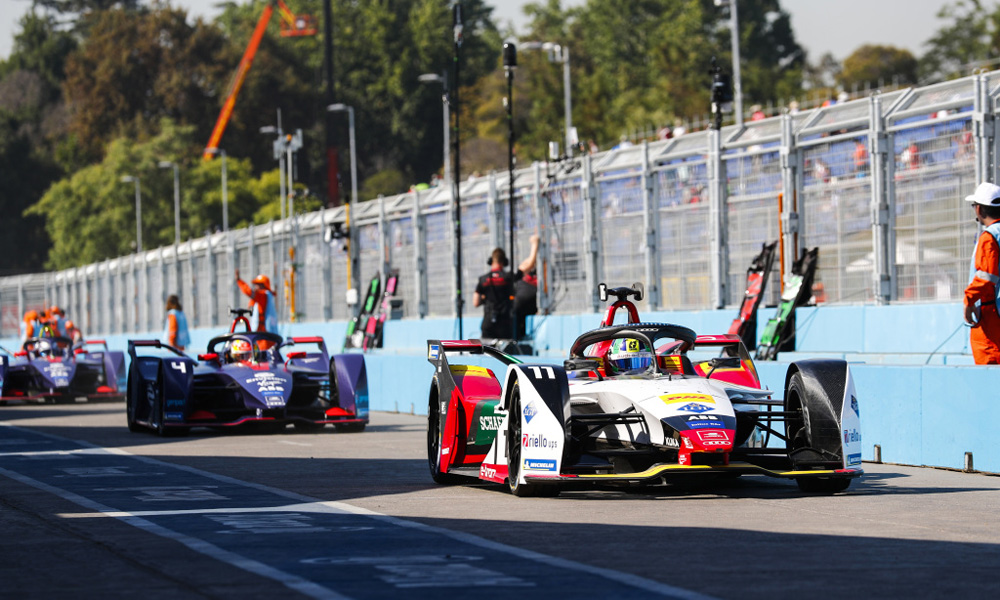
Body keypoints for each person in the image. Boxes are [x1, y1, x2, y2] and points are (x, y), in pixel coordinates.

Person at [473, 234, 539, 340]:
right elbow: (528, 265)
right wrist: (534, 244)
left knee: (486, 349)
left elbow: (476, 302)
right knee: (506, 349)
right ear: (504, 262)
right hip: (505, 324)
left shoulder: (483, 279)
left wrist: (485, 299)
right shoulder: (508, 277)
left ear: (491, 261)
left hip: (488, 324)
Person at [963, 182, 1000, 364]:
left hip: (992, 315)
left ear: (979, 209)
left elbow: (986, 277)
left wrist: (969, 300)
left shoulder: (989, 237)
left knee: (990, 367)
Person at [235, 269, 278, 335]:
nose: (256, 286)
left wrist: (239, 281)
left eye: (257, 284)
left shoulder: (263, 295)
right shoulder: (268, 296)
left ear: (263, 285)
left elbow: (249, 292)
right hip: (265, 332)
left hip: (263, 333)